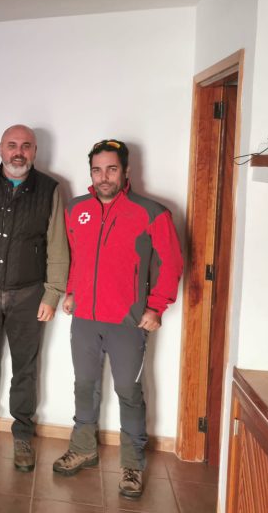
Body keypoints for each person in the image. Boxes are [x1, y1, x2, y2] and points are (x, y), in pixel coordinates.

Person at [52, 139, 183, 499]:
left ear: (126, 171)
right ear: (90, 172)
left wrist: (156, 307)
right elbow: (77, 256)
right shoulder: (76, 208)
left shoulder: (152, 212)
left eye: (111, 169)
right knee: (84, 385)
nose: (104, 176)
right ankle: (84, 448)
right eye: (97, 169)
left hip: (128, 322)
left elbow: (170, 264)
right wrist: (73, 291)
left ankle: (132, 464)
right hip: (85, 320)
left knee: (128, 392)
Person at [0, 124, 69, 472]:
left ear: (34, 151)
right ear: (0, 149)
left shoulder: (50, 189)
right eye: (11, 145)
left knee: (25, 367)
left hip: (28, 295)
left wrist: (52, 294)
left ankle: (22, 432)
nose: (18, 152)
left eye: (25, 146)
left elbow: (57, 246)